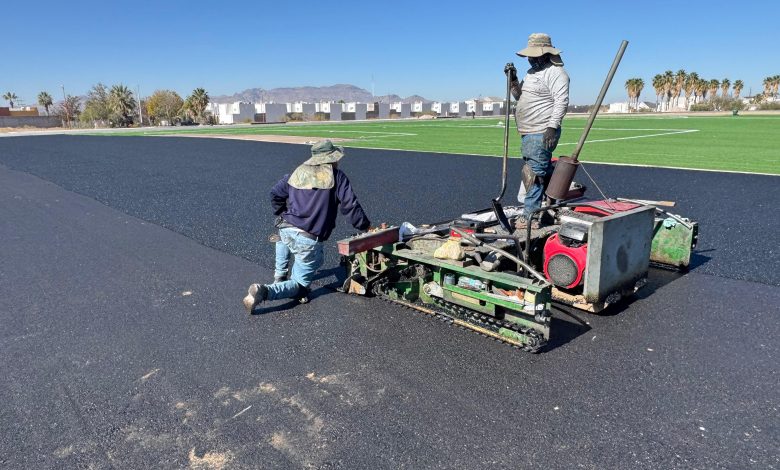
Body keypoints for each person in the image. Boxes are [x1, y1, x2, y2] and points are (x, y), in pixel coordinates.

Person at [243, 140, 371, 313]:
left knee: (283, 240)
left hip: (285, 229)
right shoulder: (337, 176)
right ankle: (263, 291)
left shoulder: (297, 173)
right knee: (301, 287)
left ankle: (279, 278)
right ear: (331, 159)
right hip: (307, 239)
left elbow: (275, 193)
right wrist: (365, 227)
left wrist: (282, 212)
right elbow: (350, 206)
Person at [510, 33, 570, 229]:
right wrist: (513, 80)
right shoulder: (531, 73)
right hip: (528, 131)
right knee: (538, 171)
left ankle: (531, 217)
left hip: (541, 130)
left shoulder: (556, 73)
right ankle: (550, 207)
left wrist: (552, 128)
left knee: (534, 173)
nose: (530, 59)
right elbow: (519, 96)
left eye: (534, 55)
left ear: (546, 54)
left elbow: (561, 101)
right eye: (530, 56)